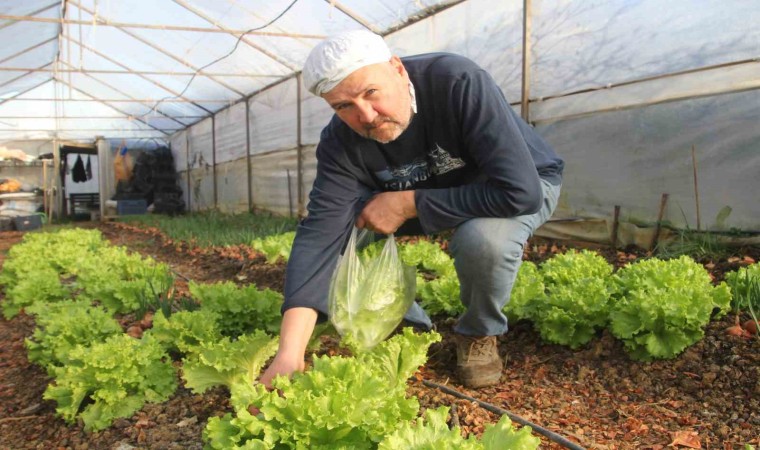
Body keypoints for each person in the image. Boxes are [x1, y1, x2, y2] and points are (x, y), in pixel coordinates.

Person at [259, 30, 564, 389]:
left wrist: (408, 202)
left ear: (398, 69)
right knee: (343, 230)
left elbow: (520, 193)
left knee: (484, 240)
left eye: (370, 93)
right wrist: (289, 353)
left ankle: (478, 332)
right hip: (434, 192)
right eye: (343, 106)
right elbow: (320, 236)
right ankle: (408, 321)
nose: (367, 116)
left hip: (515, 186)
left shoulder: (456, 82)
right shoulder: (340, 142)